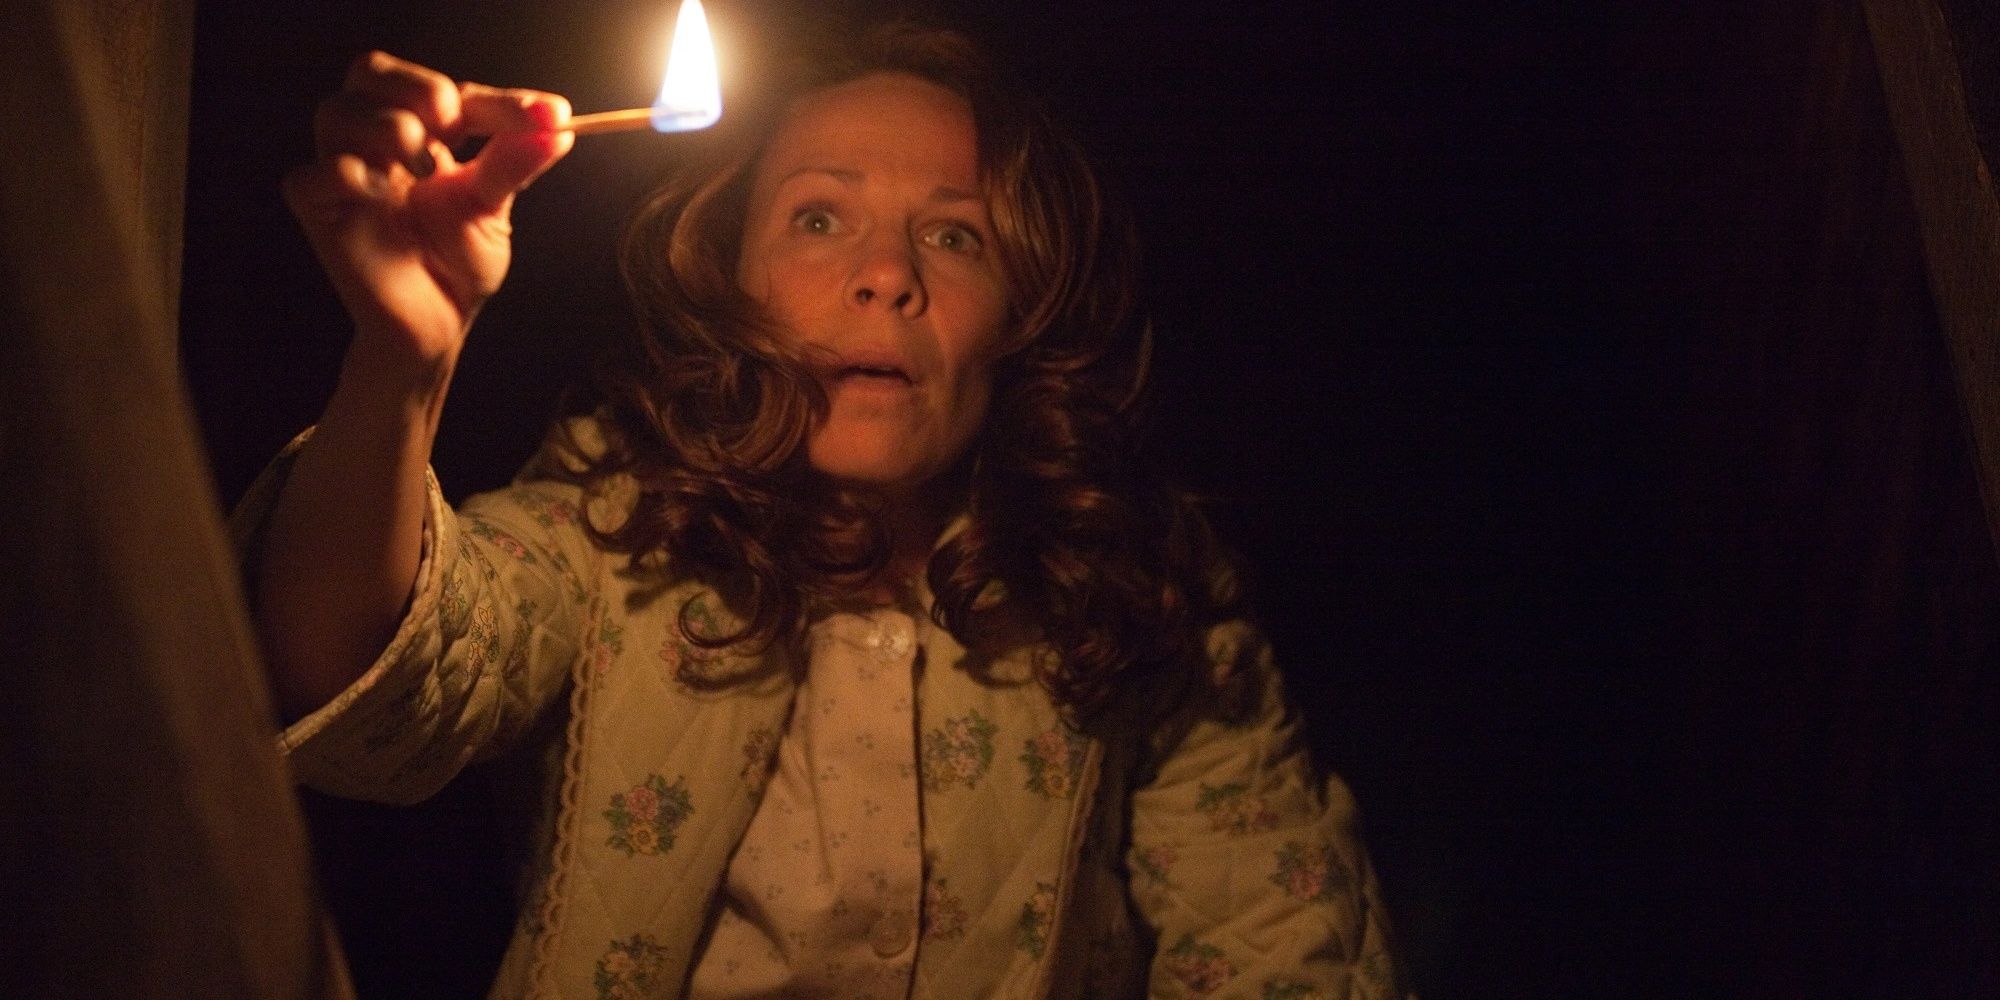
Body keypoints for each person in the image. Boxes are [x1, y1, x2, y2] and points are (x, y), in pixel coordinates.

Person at [243, 19, 1402, 1000]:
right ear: (729, 279)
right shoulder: (618, 532)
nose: (885, 271)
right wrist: (399, 367)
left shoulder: (1144, 599)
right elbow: (359, 686)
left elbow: (1280, 945)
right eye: (816, 217)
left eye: (953, 234)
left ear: (1021, 313)